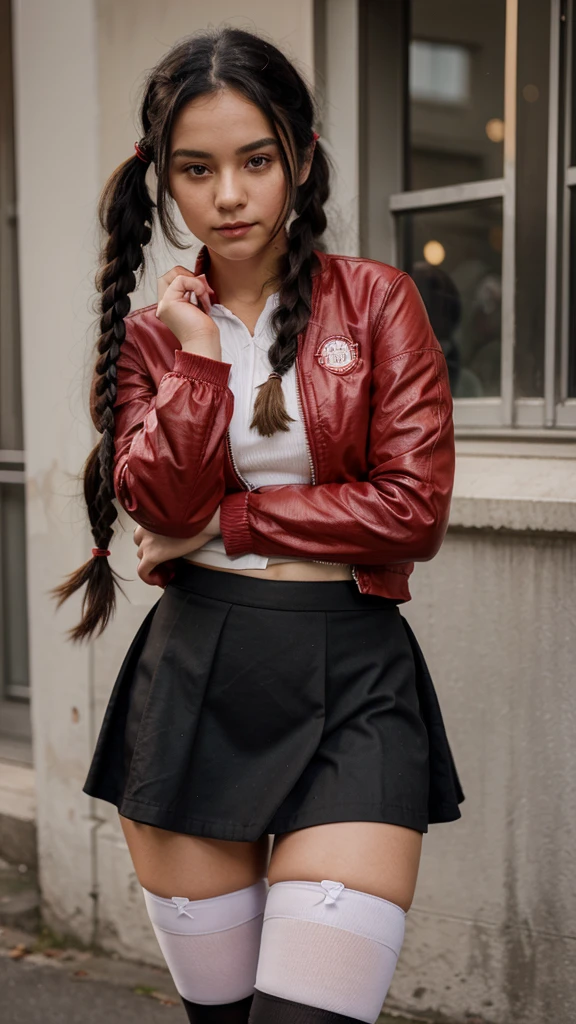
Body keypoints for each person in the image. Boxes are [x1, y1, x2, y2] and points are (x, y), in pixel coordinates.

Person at [51, 26, 464, 1024]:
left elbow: (411, 508)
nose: (228, 194)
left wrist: (234, 517)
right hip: (195, 680)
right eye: (197, 169)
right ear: (165, 181)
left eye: (255, 161)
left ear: (301, 158)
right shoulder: (151, 336)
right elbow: (159, 508)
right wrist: (196, 359)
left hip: (354, 676)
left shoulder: (376, 303)